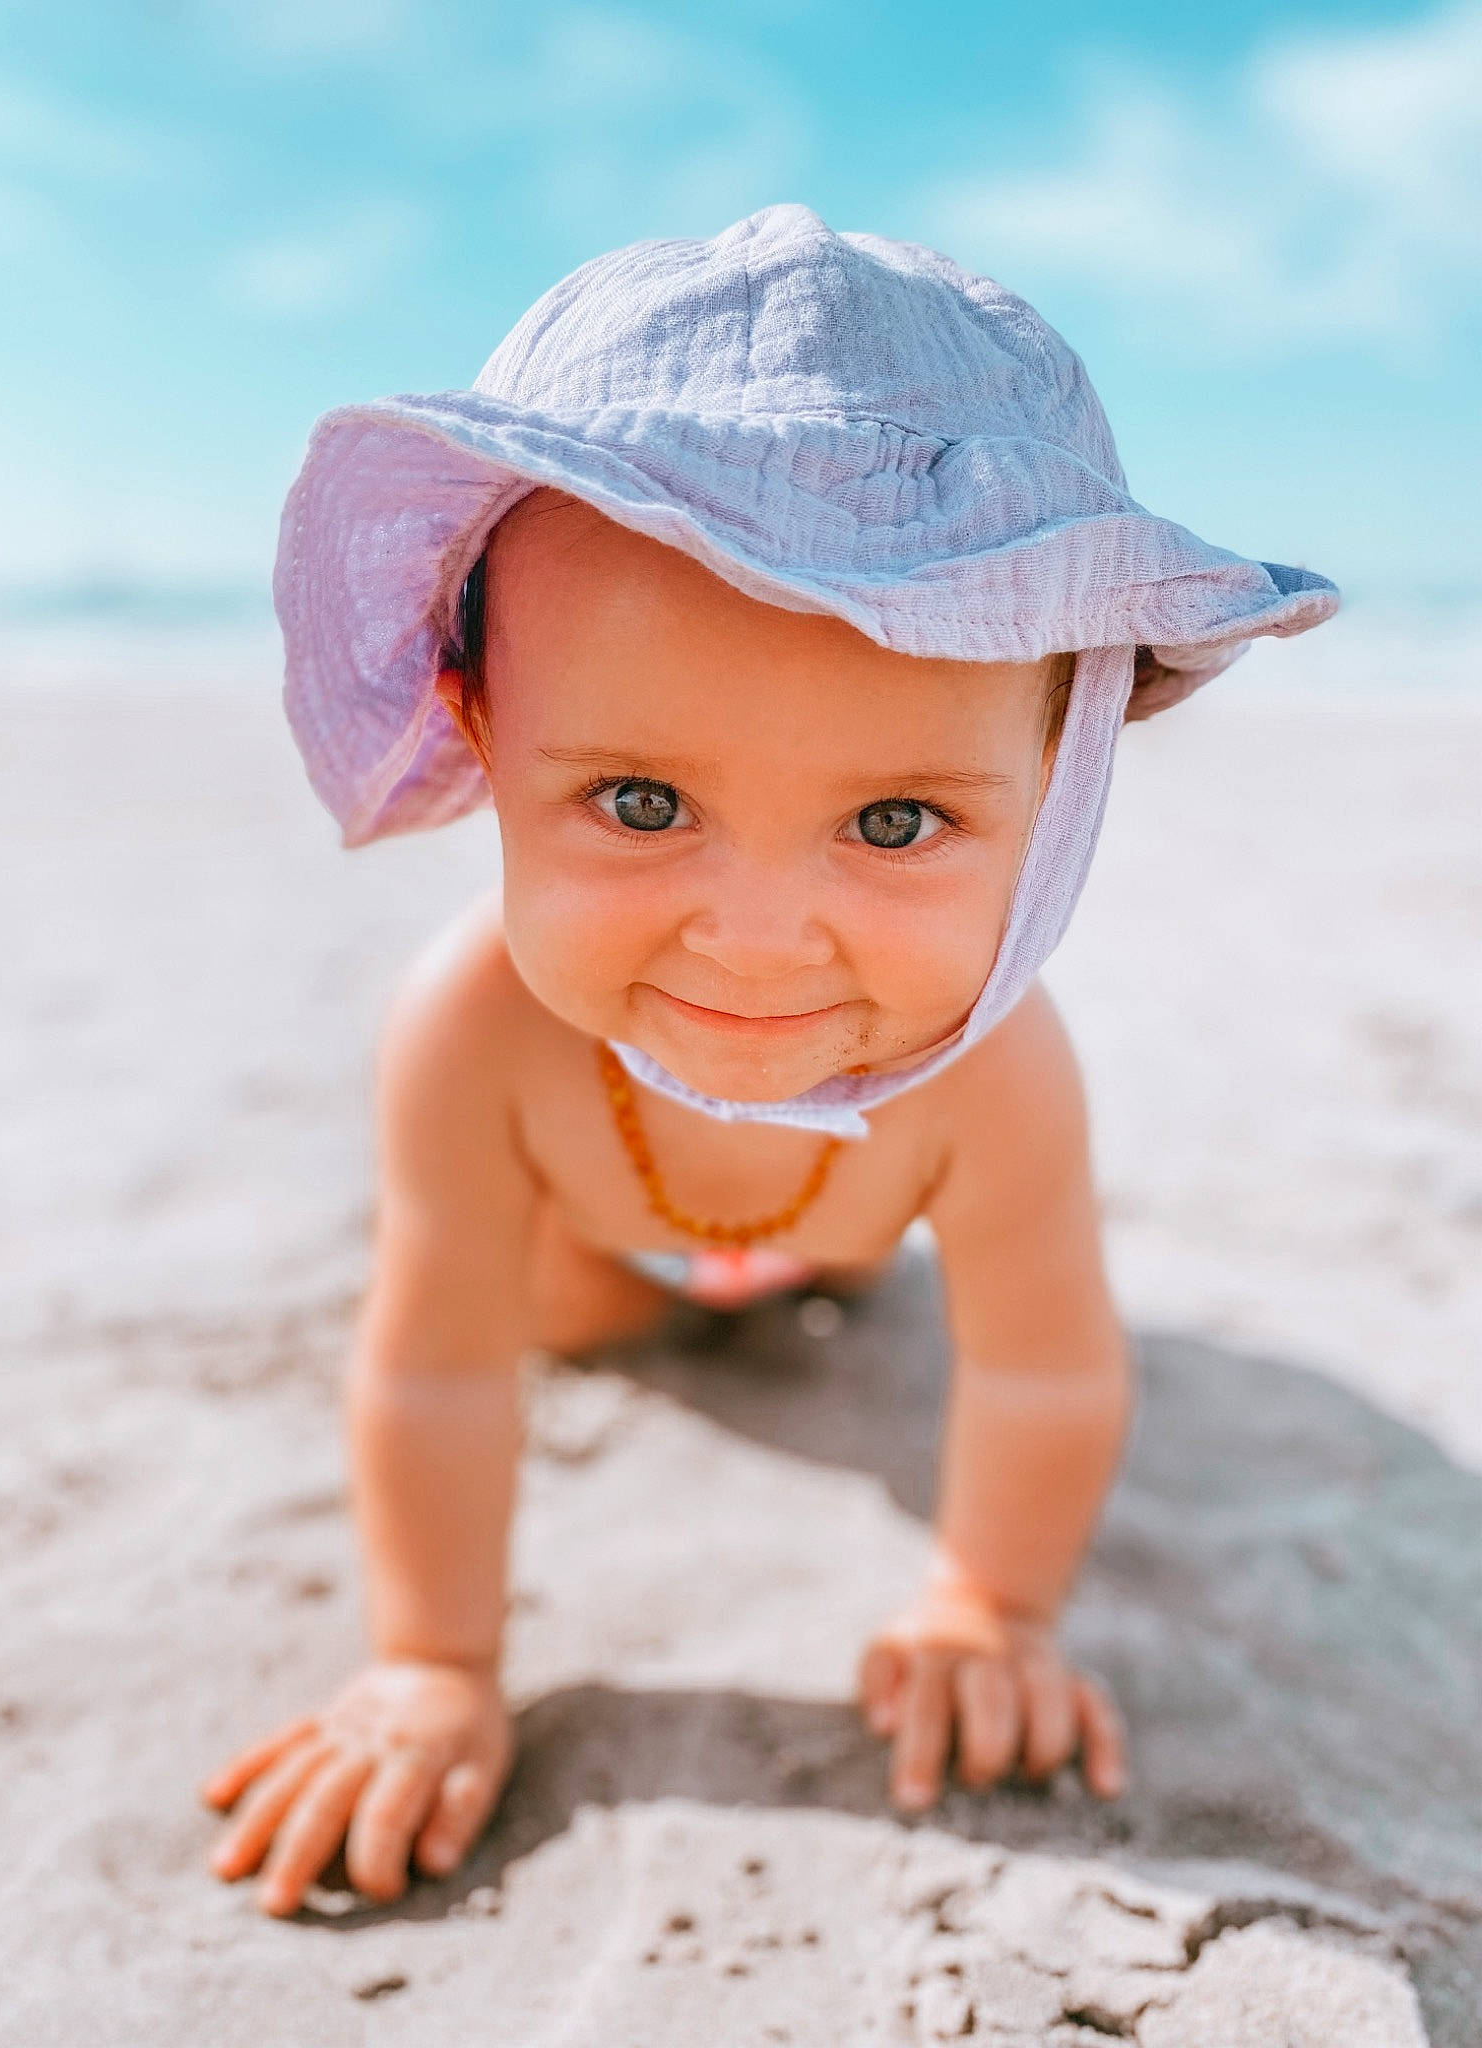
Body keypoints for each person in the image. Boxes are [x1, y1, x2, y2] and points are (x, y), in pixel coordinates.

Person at [201, 205, 1337, 1916]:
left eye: (895, 821)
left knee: (886, 1287)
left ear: (1062, 787)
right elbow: (435, 1363)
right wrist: (433, 1663)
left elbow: (1039, 1367)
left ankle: (792, 1273)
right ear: (486, 729)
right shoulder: (475, 1041)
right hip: (595, 1247)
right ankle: (671, 1291)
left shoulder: (998, 1072)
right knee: (567, 1311)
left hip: (846, 1241)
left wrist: (987, 1605)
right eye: (643, 804)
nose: (755, 938)